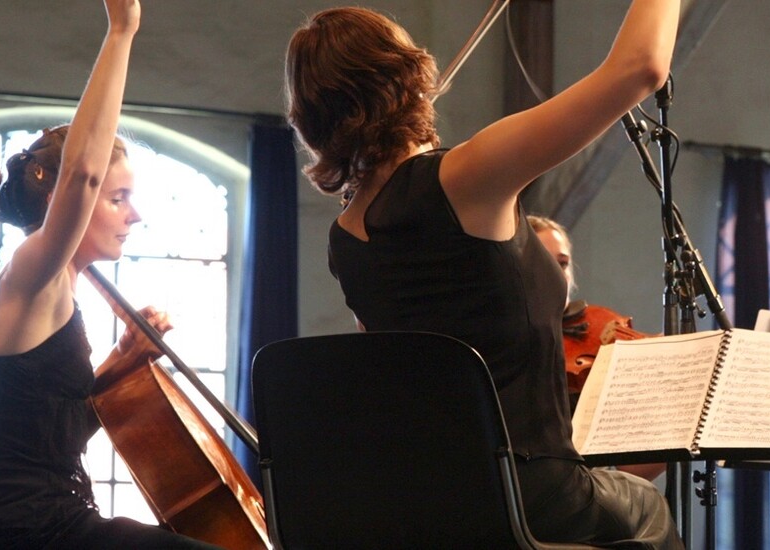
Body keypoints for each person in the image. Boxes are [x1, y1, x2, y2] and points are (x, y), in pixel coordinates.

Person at [287, 3, 683, 547]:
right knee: (650, 507)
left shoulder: (347, 238)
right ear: (407, 78)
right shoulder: (464, 178)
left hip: (430, 505)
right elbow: (639, 67)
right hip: (534, 495)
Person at [0, 1, 214, 548]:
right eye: (118, 199)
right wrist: (122, 30)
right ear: (64, 204)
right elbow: (83, 173)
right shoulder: (30, 271)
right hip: (26, 533)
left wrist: (127, 356)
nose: (133, 215)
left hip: (33, 525)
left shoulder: (53, 292)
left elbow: (53, 439)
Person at [529, 215, 667, 483]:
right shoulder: (506, 344)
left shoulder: (598, 331)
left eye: (563, 263)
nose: (558, 274)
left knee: (643, 496)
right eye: (544, 263)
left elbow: (634, 471)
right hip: (540, 486)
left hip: (585, 485)